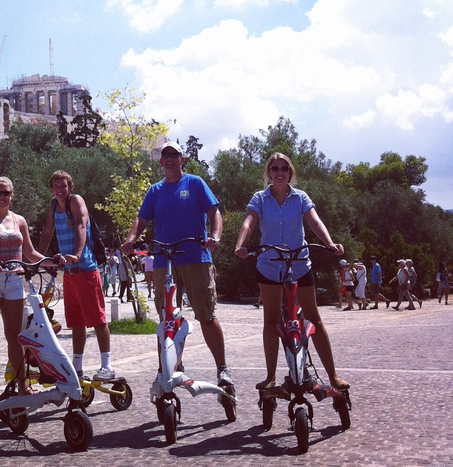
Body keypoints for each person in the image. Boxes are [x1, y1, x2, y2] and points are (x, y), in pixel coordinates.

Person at [122, 141, 234, 388]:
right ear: (161, 162)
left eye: (175, 155)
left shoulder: (195, 183)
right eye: (166, 155)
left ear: (182, 159)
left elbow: (215, 212)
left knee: (206, 314)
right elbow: (141, 220)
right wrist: (131, 240)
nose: (170, 159)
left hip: (196, 257)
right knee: (166, 318)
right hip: (164, 260)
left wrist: (214, 236)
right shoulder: (155, 190)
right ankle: (167, 367)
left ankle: (223, 369)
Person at [234, 152, 349, 390]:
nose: (279, 173)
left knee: (314, 318)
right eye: (274, 168)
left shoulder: (300, 197)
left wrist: (329, 243)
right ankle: (270, 376)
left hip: (298, 264)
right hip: (269, 265)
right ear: (269, 173)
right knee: (271, 322)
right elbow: (249, 221)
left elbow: (314, 221)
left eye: (284, 169)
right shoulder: (260, 198)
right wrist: (240, 244)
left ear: (290, 173)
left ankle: (333, 375)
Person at [0, 177, 49, 404]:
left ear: (12, 195)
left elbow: (30, 254)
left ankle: (22, 387)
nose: (2, 197)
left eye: (6, 193)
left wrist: (53, 262)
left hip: (14, 281)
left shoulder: (19, 221)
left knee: (15, 338)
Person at [39, 170, 115, 381]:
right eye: (56, 187)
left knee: (98, 320)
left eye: (64, 186)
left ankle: (107, 366)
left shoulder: (76, 201)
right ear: (52, 190)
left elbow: (82, 226)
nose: (60, 190)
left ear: (70, 187)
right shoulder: (54, 205)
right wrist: (36, 259)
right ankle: (77, 367)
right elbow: (47, 231)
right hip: (70, 273)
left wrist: (78, 254)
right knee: (77, 323)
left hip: (86, 269)